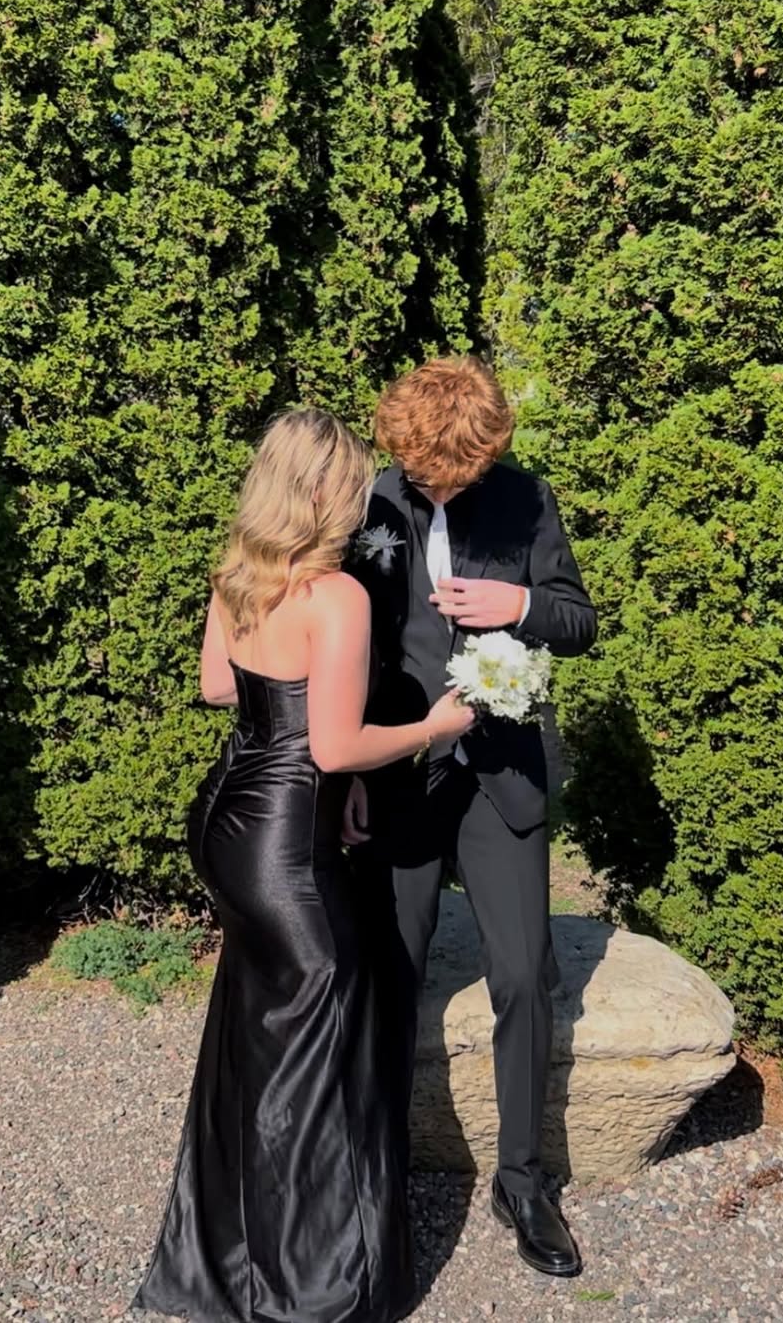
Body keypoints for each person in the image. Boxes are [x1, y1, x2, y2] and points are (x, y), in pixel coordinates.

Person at [134, 408, 475, 1323]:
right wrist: (433, 727)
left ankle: (232, 1260)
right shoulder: (336, 596)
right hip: (287, 845)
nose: (362, 500)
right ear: (323, 490)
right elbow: (333, 744)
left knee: (261, 1029)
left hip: (226, 824)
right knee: (320, 1036)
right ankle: (312, 1285)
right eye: (353, 483)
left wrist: (323, 754)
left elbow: (219, 686)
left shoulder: (239, 573)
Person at [345, 356, 597, 1278]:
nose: (442, 487)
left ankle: (523, 1181)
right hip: (402, 770)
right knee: (390, 969)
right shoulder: (368, 502)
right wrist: (352, 770)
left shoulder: (527, 498)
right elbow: (343, 643)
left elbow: (580, 622)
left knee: (523, 977)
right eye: (427, 473)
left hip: (503, 775)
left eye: (460, 475)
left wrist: (520, 604)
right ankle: (371, 1173)